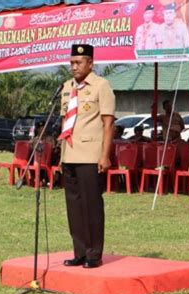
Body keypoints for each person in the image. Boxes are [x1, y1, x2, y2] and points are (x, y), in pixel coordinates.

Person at [58, 44, 115, 269]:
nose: (74, 67)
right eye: (72, 62)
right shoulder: (66, 87)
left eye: (79, 63)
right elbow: (66, 122)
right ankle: (79, 251)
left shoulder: (102, 86)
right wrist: (61, 156)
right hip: (70, 153)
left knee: (91, 206)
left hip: (91, 154)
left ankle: (93, 254)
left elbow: (108, 123)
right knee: (74, 206)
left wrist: (105, 155)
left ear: (90, 63)